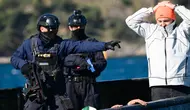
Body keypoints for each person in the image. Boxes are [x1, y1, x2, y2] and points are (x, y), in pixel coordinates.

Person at [10, 13, 120, 110]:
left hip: (57, 92)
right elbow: (15, 58)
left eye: (54, 29)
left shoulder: (61, 45)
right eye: (48, 29)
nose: (51, 32)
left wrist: (104, 45)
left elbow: (82, 46)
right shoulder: (29, 44)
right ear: (41, 28)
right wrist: (23, 65)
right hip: (36, 91)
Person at [125, 1, 190, 101]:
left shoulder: (182, 31)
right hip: (157, 86)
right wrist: (152, 10)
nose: (163, 24)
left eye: (166, 20)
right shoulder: (150, 31)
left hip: (180, 84)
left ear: (173, 19)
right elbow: (130, 21)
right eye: (160, 21)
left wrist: (175, 8)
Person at [63, 10, 107, 110]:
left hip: (89, 85)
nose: (78, 29)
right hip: (70, 85)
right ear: (70, 27)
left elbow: (102, 63)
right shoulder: (64, 45)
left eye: (80, 26)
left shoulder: (92, 43)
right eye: (75, 26)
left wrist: (90, 66)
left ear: (84, 26)